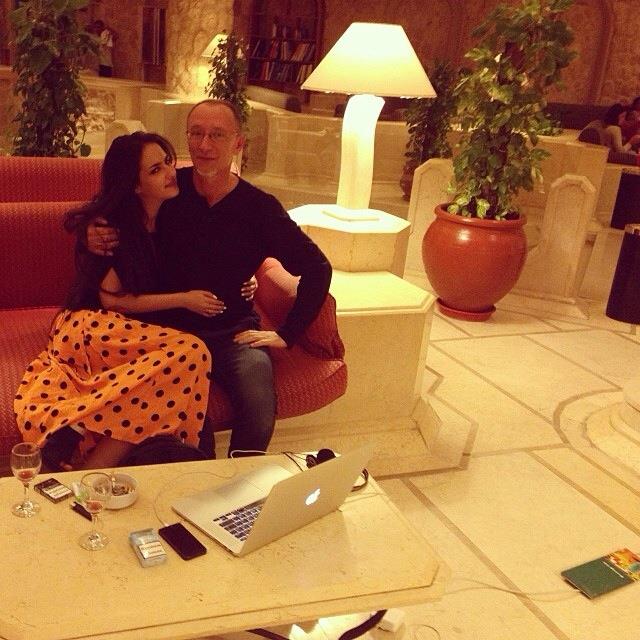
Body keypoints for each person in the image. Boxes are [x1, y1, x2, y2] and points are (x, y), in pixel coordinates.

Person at [88, 99, 332, 457]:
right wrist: (93, 231)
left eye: (217, 135)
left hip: (233, 334)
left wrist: (286, 333)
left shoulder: (260, 208)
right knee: (190, 433)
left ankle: (238, 483)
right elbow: (116, 203)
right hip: (167, 334)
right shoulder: (169, 188)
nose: (204, 145)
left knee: (259, 409)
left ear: (238, 143)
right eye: (196, 133)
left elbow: (317, 268)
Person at [14, 132, 217, 471]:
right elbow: (113, 302)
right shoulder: (113, 228)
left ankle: (86, 466)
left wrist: (246, 277)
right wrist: (185, 299)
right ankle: (76, 426)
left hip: (121, 331)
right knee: (192, 352)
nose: (170, 172)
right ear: (134, 185)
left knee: (163, 390)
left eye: (168, 162)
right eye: (155, 170)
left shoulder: (169, 213)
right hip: (89, 326)